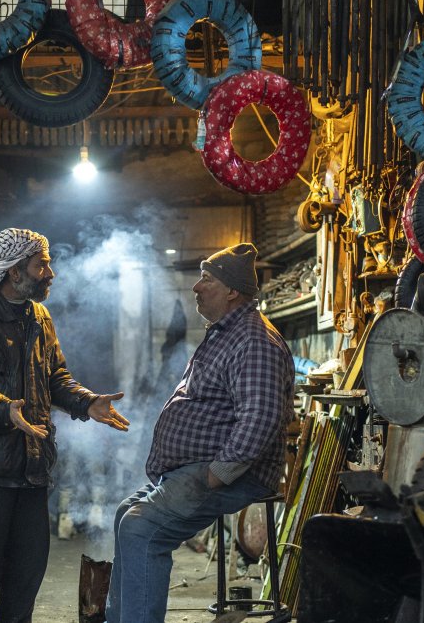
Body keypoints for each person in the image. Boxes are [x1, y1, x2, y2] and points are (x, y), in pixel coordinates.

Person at [0, 227, 131, 623]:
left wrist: (86, 402)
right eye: (41, 264)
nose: (51, 273)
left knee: (26, 573)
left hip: (31, 466)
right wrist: (3, 410)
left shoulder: (39, 316)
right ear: (14, 271)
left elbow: (55, 377)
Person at [104, 242, 294, 623]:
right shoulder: (227, 333)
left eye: (206, 279)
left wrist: (218, 473)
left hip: (234, 474)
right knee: (127, 513)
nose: (196, 287)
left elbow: (261, 415)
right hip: (198, 466)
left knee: (143, 528)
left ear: (232, 290)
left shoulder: (253, 339)